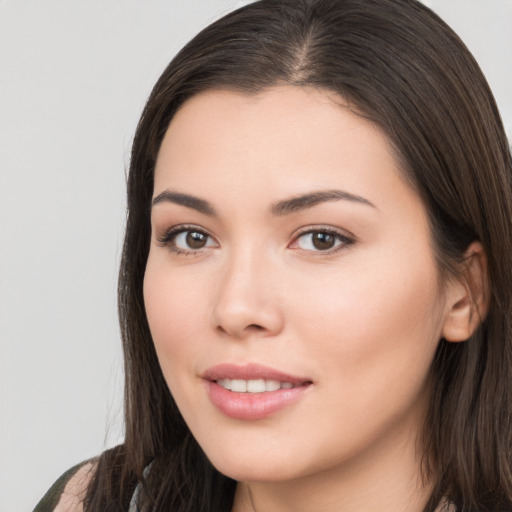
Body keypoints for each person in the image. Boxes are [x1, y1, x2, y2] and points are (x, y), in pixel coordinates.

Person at [34, 0, 512, 511]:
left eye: (321, 239)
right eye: (192, 237)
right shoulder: (90, 501)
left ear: (465, 291)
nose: (236, 308)